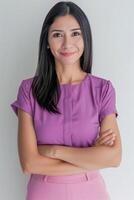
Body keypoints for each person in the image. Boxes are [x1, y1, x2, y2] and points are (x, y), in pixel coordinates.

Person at [10, 1, 122, 200]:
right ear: (46, 41)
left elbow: (113, 157)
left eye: (75, 33)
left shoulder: (103, 89)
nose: (67, 44)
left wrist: (52, 151)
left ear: (85, 38)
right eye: (57, 35)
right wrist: (91, 157)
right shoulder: (29, 90)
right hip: (43, 192)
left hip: (91, 191)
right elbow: (29, 164)